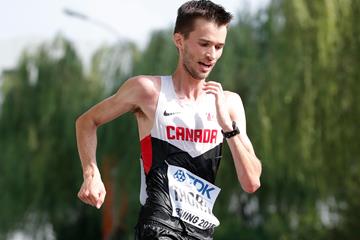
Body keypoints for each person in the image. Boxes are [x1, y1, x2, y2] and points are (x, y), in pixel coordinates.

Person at [76, 0, 262, 239]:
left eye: (219, 46)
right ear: (179, 40)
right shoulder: (148, 90)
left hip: (201, 232)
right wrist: (92, 175)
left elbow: (251, 182)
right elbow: (86, 122)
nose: (211, 55)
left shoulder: (229, 103)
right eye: (204, 44)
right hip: (158, 226)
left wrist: (228, 128)